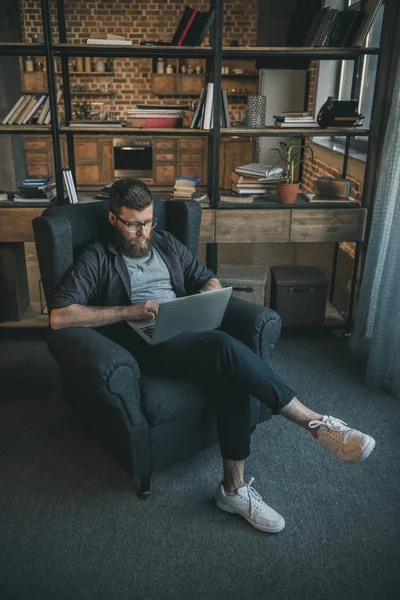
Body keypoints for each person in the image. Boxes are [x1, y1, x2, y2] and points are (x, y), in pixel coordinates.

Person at [50, 178, 376, 534]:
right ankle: (313, 422)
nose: (143, 233)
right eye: (133, 225)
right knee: (222, 346)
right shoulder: (97, 256)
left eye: (147, 222)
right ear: (114, 220)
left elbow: (207, 278)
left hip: (188, 331)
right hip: (146, 344)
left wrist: (203, 297)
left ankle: (232, 490)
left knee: (231, 376)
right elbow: (60, 315)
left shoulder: (165, 243)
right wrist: (128, 311)